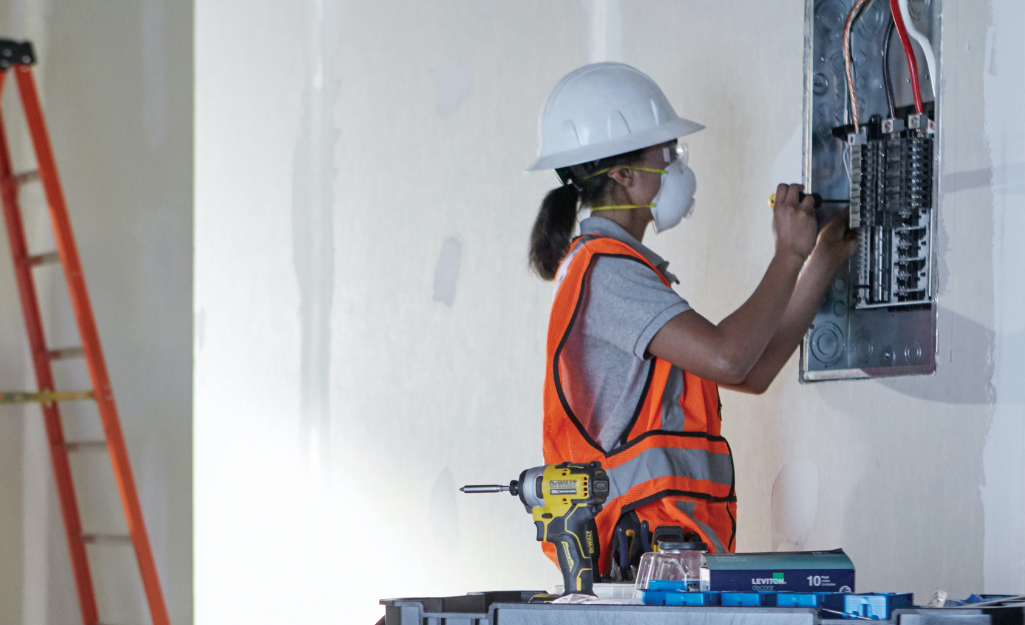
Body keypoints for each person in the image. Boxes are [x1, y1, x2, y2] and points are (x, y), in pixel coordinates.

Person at [526, 63, 857, 578]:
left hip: (666, 563)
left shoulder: (617, 269)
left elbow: (751, 369)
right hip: (641, 568)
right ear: (623, 175)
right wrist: (787, 255)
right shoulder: (608, 274)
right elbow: (728, 355)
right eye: (667, 154)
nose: (676, 165)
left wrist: (819, 262)